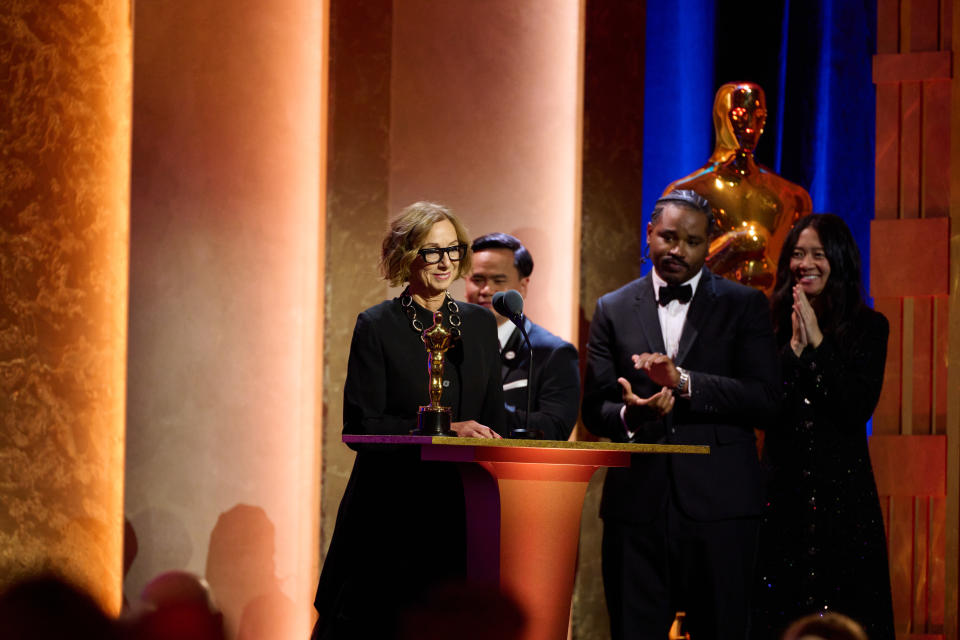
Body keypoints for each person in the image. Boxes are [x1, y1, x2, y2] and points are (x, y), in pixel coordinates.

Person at [582, 189, 779, 640]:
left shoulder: (743, 304)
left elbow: (766, 399)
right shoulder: (613, 307)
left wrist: (685, 382)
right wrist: (636, 416)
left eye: (691, 241)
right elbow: (596, 409)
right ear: (649, 234)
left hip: (722, 506)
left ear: (707, 246)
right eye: (668, 237)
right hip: (637, 510)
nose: (677, 250)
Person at [311, 202, 505, 639]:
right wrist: (444, 429)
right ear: (406, 255)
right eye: (430, 251)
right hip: (391, 510)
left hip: (462, 506)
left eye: (452, 249)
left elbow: (493, 421)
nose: (444, 262)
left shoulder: (478, 325)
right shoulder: (377, 325)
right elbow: (360, 426)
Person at [753, 213, 895, 640]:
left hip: (845, 501)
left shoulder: (871, 327)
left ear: (838, 259)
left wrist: (818, 345)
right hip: (782, 496)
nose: (805, 263)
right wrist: (794, 351)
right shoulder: (770, 325)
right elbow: (766, 410)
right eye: (797, 254)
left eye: (817, 254)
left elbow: (855, 408)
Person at [663, 82, 812, 294]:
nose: (751, 126)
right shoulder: (686, 194)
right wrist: (732, 246)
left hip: (771, 320)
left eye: (760, 116)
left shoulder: (791, 197)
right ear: (722, 115)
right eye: (741, 115)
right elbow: (672, 274)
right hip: (707, 319)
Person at [465, 233, 580, 440]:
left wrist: (485, 408)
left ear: (523, 286)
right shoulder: (446, 343)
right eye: (477, 279)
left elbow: (555, 428)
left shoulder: (553, 353)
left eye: (498, 280)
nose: (486, 290)